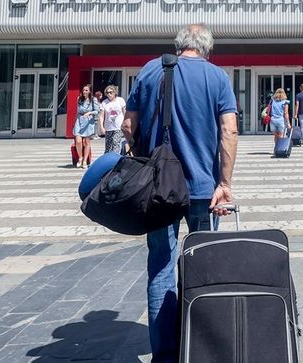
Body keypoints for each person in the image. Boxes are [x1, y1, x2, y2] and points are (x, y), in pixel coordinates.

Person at [122, 24, 238, 362]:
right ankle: (201, 347)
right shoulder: (217, 77)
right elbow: (229, 130)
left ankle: (166, 355)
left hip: (158, 188)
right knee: (203, 263)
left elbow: (128, 126)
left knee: (160, 266)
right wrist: (225, 183)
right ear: (206, 48)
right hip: (203, 189)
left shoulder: (150, 70)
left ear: (178, 45)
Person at [73, 85, 98, 169]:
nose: (84, 92)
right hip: (79, 120)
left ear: (90, 91)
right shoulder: (79, 99)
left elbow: (97, 111)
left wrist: (90, 113)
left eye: (86, 90)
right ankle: (80, 157)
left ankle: (85, 161)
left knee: (87, 142)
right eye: (83, 90)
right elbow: (77, 110)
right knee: (78, 140)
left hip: (88, 121)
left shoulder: (93, 100)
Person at [99, 85, 127, 155]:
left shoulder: (120, 100)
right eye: (107, 92)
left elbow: (124, 112)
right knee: (108, 147)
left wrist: (125, 123)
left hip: (118, 127)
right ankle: (107, 162)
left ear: (115, 92)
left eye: (111, 92)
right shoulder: (104, 103)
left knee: (116, 144)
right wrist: (102, 127)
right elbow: (101, 116)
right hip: (108, 128)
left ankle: (115, 161)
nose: (109, 94)